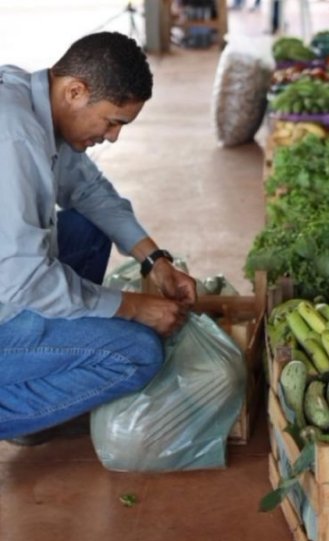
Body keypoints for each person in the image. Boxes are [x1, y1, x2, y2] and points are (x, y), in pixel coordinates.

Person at [0, 31, 197, 445]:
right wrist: (130, 307)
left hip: (11, 279)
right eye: (112, 121)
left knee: (88, 228)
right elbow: (24, 280)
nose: (112, 136)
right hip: (11, 288)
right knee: (138, 353)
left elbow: (88, 190)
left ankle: (36, 384)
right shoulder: (14, 137)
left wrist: (154, 260)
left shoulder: (32, 101)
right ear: (75, 91)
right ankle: (17, 406)